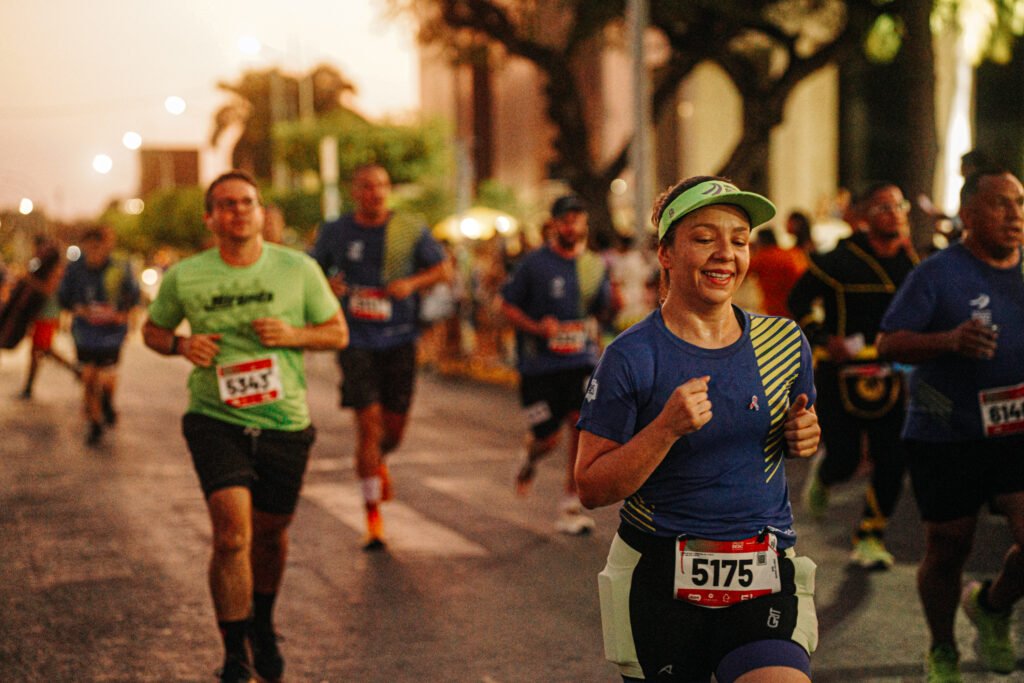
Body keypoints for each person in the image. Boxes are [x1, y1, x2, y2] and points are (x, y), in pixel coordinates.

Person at [576, 176, 821, 682]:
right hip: (660, 580)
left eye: (738, 240)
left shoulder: (784, 342)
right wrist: (663, 429)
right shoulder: (631, 356)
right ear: (665, 253)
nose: (724, 254)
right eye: (704, 238)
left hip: (764, 568)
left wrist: (804, 437)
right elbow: (592, 487)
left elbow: (795, 432)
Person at [142, 170, 348, 683]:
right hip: (216, 418)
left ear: (260, 212)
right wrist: (182, 346)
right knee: (232, 534)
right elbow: (153, 329)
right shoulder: (186, 276)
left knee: (271, 536)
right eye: (226, 204)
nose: (238, 211)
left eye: (247, 202)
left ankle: (262, 623)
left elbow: (338, 332)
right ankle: (235, 656)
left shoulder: (297, 269)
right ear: (211, 218)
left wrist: (293, 333)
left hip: (284, 421)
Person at [876, 168, 1024, 682]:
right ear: (968, 213)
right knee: (948, 547)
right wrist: (948, 341)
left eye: (1020, 204)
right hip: (946, 430)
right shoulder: (937, 274)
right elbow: (889, 344)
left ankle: (992, 604)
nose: (1015, 215)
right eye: (1001, 204)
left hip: (1016, 432)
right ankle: (942, 647)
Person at [311, 163, 449, 550]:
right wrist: (329, 284)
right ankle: (373, 517)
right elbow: (311, 271)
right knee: (368, 425)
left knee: (394, 430)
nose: (376, 193)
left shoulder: (409, 228)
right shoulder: (336, 231)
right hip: (355, 340)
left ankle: (379, 461)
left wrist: (412, 283)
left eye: (383, 186)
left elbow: (442, 270)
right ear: (356, 191)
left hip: (400, 338)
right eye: (368, 186)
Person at [787, 182, 918, 570]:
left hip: (890, 372)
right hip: (839, 373)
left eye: (898, 204)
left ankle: (871, 536)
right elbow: (798, 302)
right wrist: (826, 338)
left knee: (892, 457)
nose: (893, 212)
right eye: (882, 207)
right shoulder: (837, 261)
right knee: (845, 458)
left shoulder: (911, 265)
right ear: (862, 216)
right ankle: (826, 476)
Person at [500, 194, 616, 534]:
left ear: (584, 225)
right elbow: (506, 306)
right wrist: (538, 328)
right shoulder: (534, 264)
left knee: (580, 426)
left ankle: (570, 504)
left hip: (580, 361)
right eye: (565, 220)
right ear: (553, 225)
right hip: (539, 367)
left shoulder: (595, 265)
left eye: (577, 220)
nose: (571, 226)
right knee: (547, 439)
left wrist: (607, 313)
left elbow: (602, 310)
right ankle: (530, 456)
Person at [58, 225, 140, 445]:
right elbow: (63, 297)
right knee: (88, 375)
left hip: (111, 333)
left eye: (100, 245)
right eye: (90, 245)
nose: (95, 251)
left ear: (108, 245)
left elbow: (134, 296)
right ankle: (94, 420)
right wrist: (78, 309)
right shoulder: (75, 269)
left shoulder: (120, 268)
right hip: (84, 331)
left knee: (106, 376)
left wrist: (123, 316)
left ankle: (107, 402)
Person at [21, 237, 79, 399]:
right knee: (38, 351)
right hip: (42, 315)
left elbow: (48, 289)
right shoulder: (45, 267)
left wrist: (29, 280)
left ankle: (77, 370)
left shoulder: (55, 269)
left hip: (48, 315)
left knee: (44, 350)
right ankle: (28, 386)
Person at [747, 226, 806, 317]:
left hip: (773, 308)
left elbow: (743, 272)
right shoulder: (788, 254)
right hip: (793, 306)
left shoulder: (762, 257)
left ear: (761, 241)